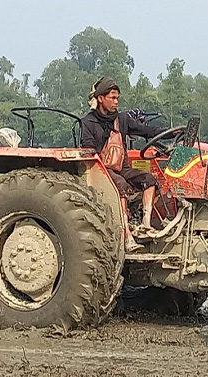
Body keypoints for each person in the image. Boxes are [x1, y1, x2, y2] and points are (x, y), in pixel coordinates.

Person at [80, 77, 166, 252]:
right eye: (112, 98)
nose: (116, 102)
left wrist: (169, 133)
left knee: (149, 180)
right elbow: (89, 151)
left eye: (117, 98)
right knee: (120, 185)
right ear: (100, 98)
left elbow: (146, 131)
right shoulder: (88, 123)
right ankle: (126, 237)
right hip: (100, 169)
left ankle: (145, 224)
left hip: (121, 168)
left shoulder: (122, 119)